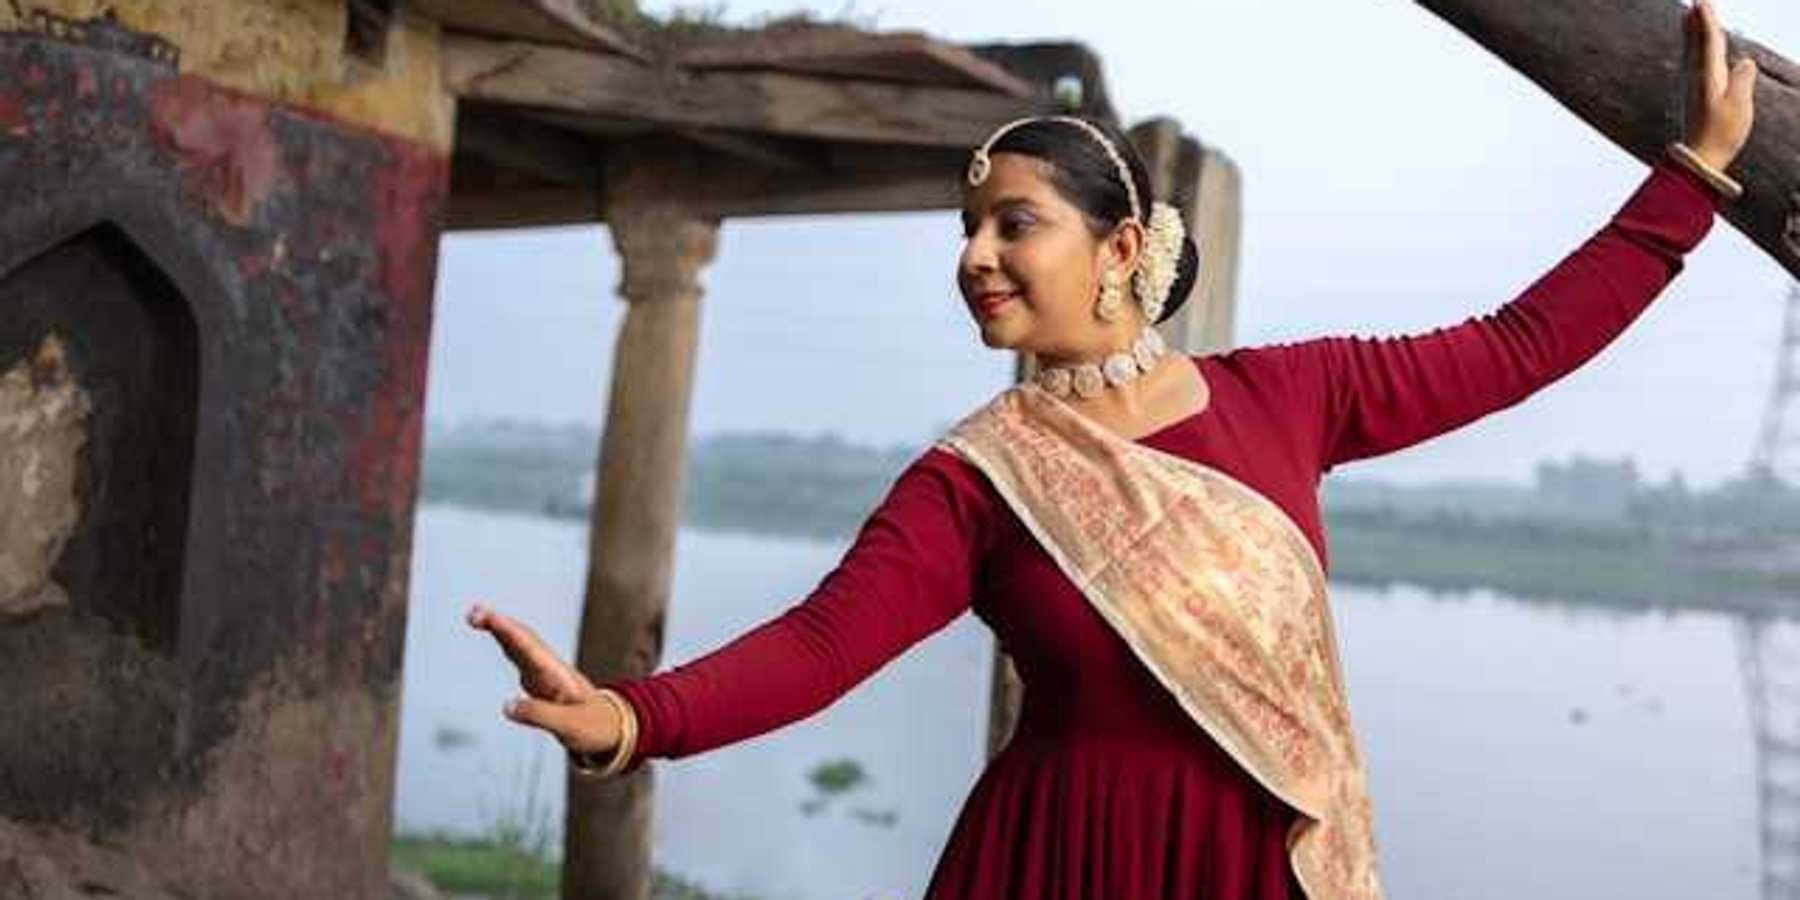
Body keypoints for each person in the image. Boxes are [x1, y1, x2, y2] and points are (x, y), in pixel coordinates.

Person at [466, 2, 1757, 897]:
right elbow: (819, 647)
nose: (972, 256)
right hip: (1060, 861)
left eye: (1011, 225)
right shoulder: (976, 479)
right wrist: (633, 716)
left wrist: (1689, 178)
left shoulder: (1288, 396)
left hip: (1258, 866)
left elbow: (1520, 344)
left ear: (1122, 250)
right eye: (966, 232)